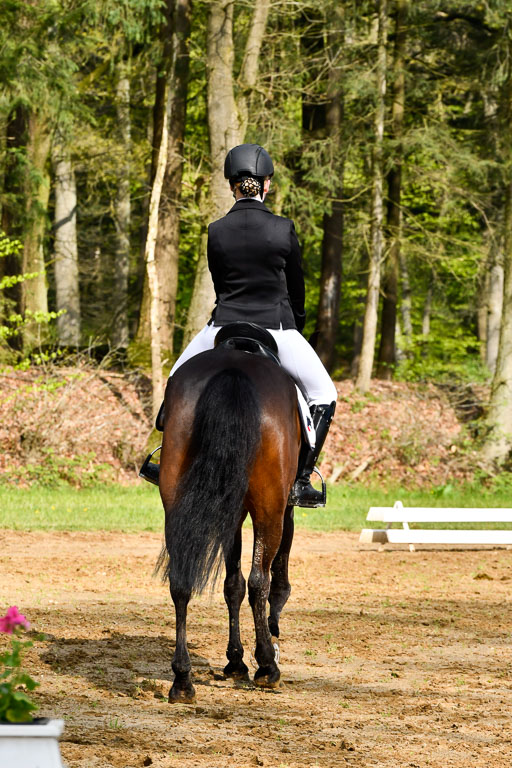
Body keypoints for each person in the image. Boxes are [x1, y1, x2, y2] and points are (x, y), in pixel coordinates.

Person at [141, 143, 337, 507]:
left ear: (232, 185)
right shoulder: (283, 229)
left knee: (177, 381)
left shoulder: (216, 231)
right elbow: (297, 288)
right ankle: (303, 478)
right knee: (325, 393)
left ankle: (162, 460)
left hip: (223, 324)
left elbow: (220, 282)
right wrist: (297, 327)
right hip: (277, 326)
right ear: (266, 185)